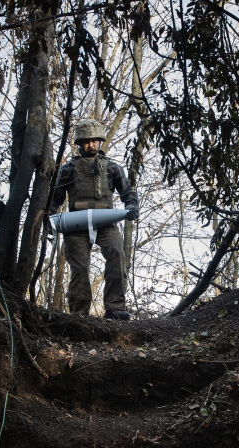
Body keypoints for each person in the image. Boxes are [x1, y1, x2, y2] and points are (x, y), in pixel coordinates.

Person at [49, 119, 139, 320]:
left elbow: (127, 192)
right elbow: (54, 198)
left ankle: (115, 307)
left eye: (94, 141)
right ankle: (79, 314)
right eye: (86, 141)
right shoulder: (68, 169)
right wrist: (49, 220)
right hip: (75, 223)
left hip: (106, 221)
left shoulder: (112, 168)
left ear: (100, 141)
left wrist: (132, 207)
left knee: (117, 253)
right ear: (79, 143)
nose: (91, 145)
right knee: (79, 267)